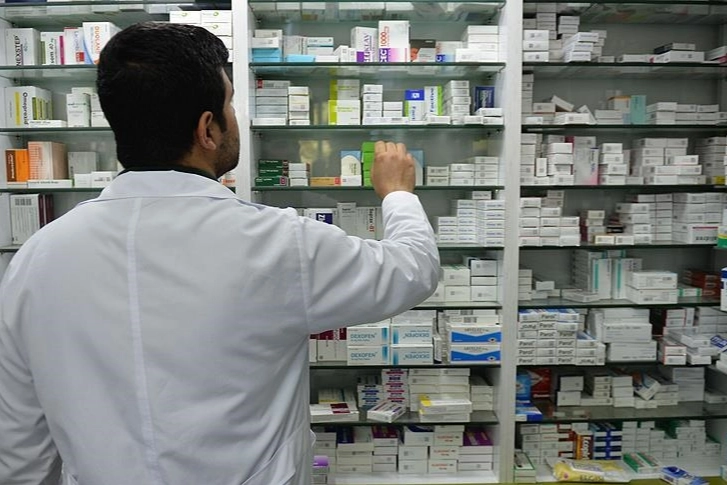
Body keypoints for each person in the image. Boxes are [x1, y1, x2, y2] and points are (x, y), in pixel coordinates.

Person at [0, 23, 439, 485]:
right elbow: (413, 268)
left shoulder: (38, 257)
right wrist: (398, 193)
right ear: (207, 129)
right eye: (230, 103)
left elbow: (20, 445)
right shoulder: (276, 242)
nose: (235, 115)